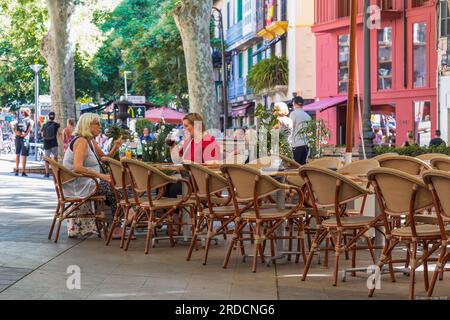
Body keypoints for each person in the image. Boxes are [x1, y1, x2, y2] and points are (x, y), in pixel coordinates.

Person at [63, 113, 124, 238]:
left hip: (88, 182)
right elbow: (77, 167)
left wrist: (115, 147)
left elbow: (104, 159)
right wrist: (101, 176)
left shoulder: (90, 142)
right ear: (88, 125)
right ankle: (123, 221)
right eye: (97, 124)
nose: (100, 127)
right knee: (116, 186)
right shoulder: (81, 141)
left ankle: (119, 222)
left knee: (118, 186)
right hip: (79, 185)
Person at [10, 108, 34, 176]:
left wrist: (14, 132)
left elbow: (11, 123)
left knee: (17, 154)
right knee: (24, 156)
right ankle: (23, 171)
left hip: (17, 137)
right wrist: (26, 134)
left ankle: (17, 170)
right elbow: (31, 127)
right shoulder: (31, 121)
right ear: (29, 113)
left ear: (23, 113)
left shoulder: (19, 120)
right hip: (25, 139)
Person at [290, 96, 312, 165]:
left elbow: (290, 127)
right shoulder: (308, 116)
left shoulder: (293, 113)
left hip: (296, 144)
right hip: (306, 144)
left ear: (294, 104)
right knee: (302, 166)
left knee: (295, 166)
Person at [41, 112, 61, 178]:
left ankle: (47, 173)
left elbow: (42, 134)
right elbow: (59, 134)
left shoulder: (45, 124)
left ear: (48, 117)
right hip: (54, 142)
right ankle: (56, 172)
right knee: (55, 158)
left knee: (47, 158)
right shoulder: (56, 125)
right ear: (54, 117)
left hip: (46, 142)